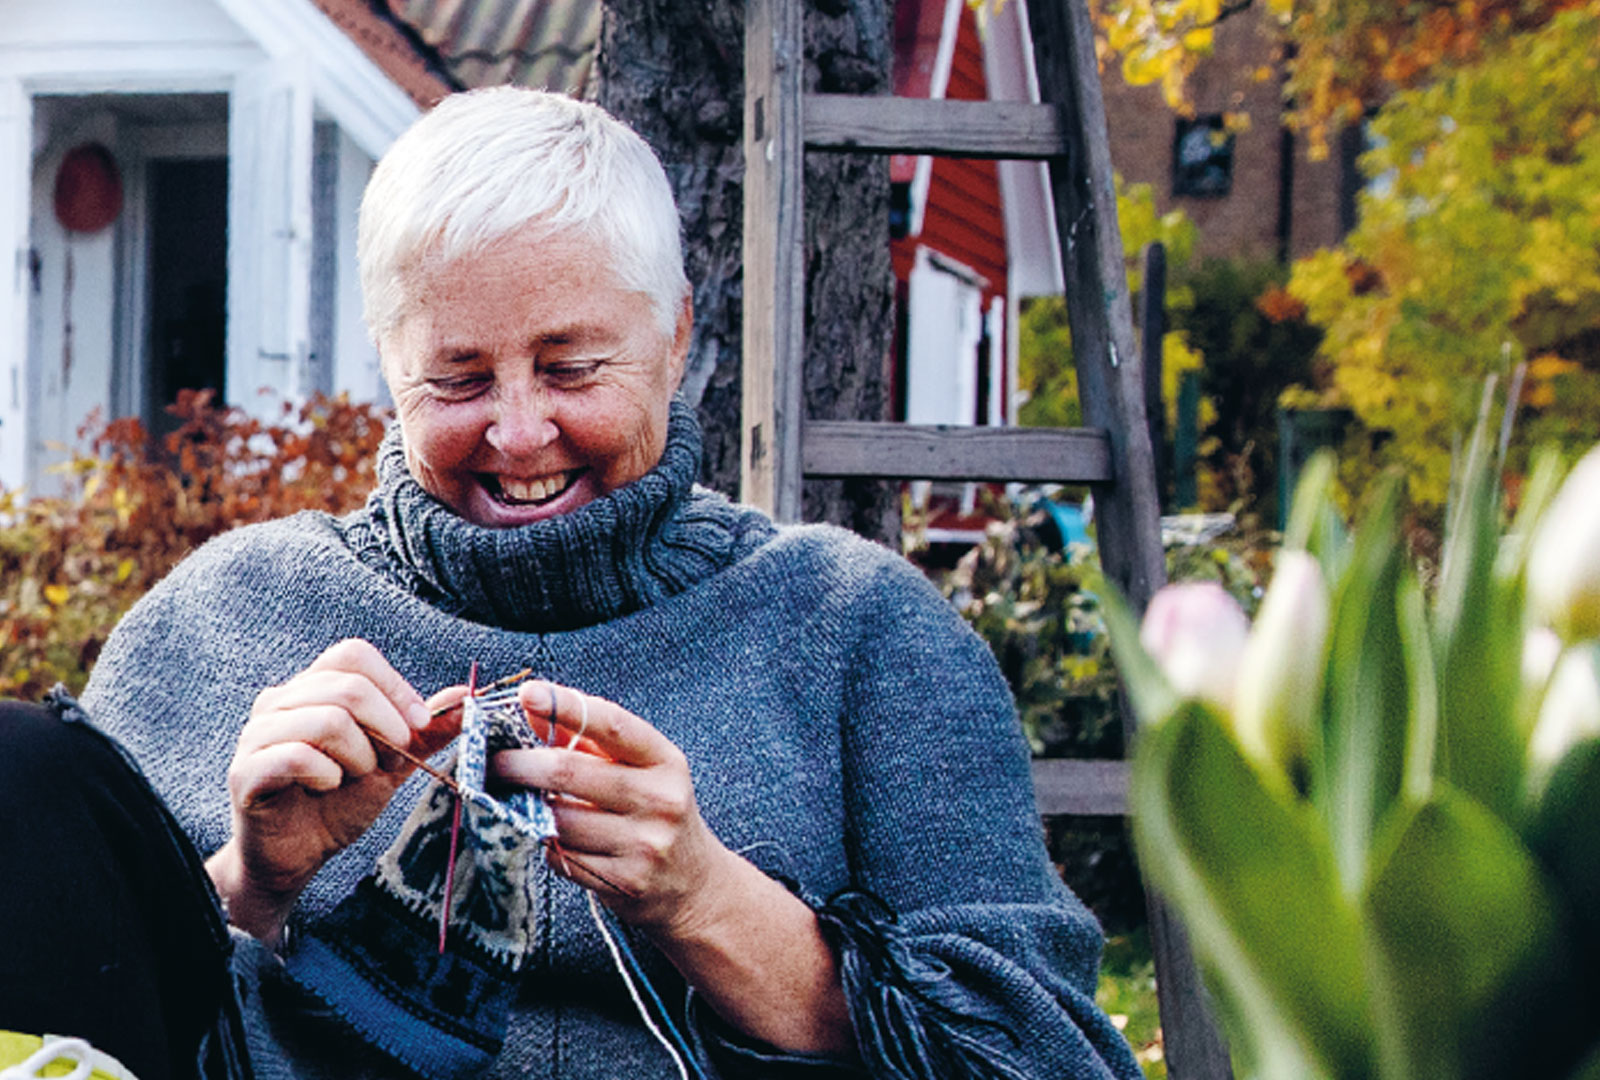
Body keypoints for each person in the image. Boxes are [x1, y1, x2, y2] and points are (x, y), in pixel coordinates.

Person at [68, 87, 1142, 1080]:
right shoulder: (220, 622)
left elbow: (1043, 1056)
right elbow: (55, 1042)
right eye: (459, 376)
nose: (520, 430)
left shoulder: (861, 634)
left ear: (675, 338)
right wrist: (248, 888)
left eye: (573, 367)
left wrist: (706, 900)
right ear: (387, 358)